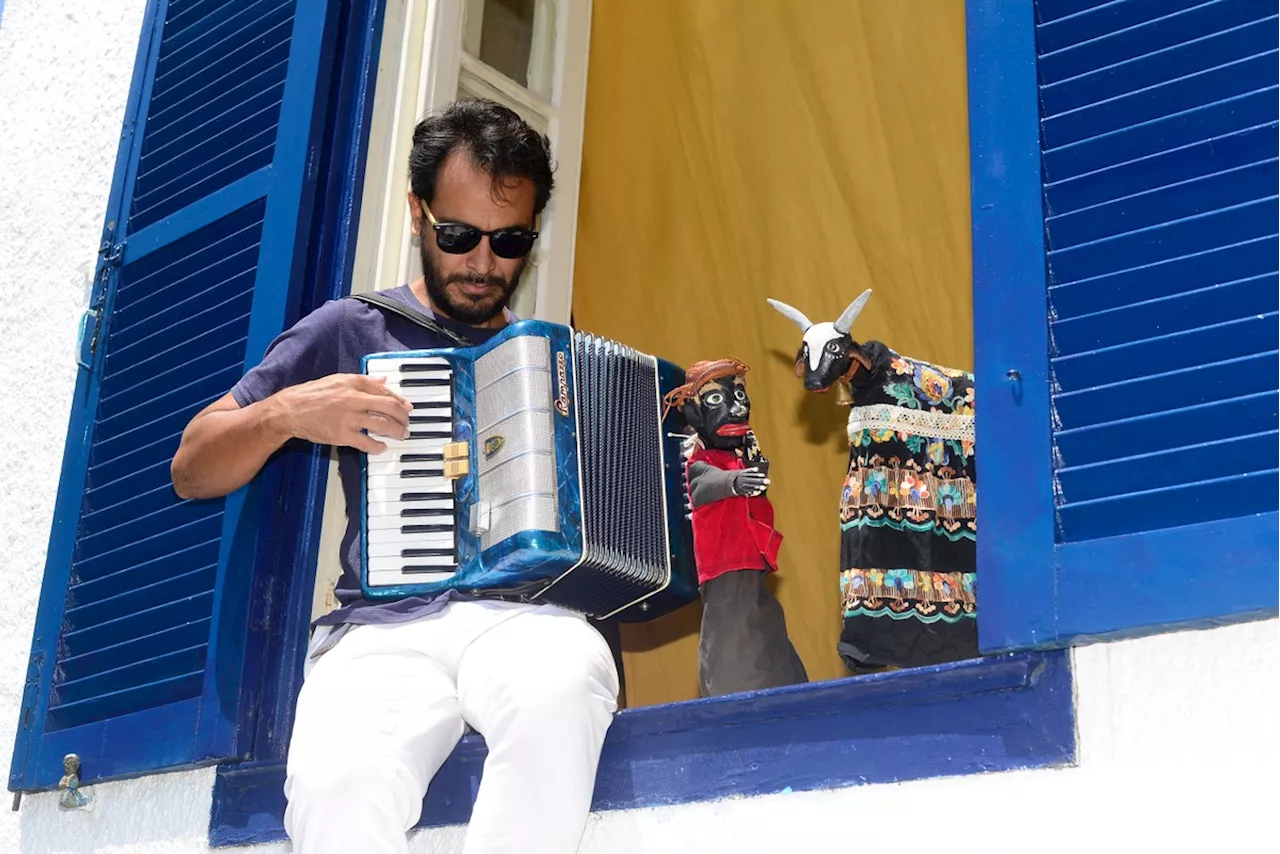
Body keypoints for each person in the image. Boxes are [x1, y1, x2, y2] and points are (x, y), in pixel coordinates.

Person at [171, 99, 619, 854]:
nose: (483, 263)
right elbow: (191, 466)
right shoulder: (351, 328)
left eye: (510, 241)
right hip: (383, 627)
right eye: (458, 236)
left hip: (519, 617)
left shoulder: (556, 363)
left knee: (568, 684)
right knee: (337, 784)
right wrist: (283, 412)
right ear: (417, 214)